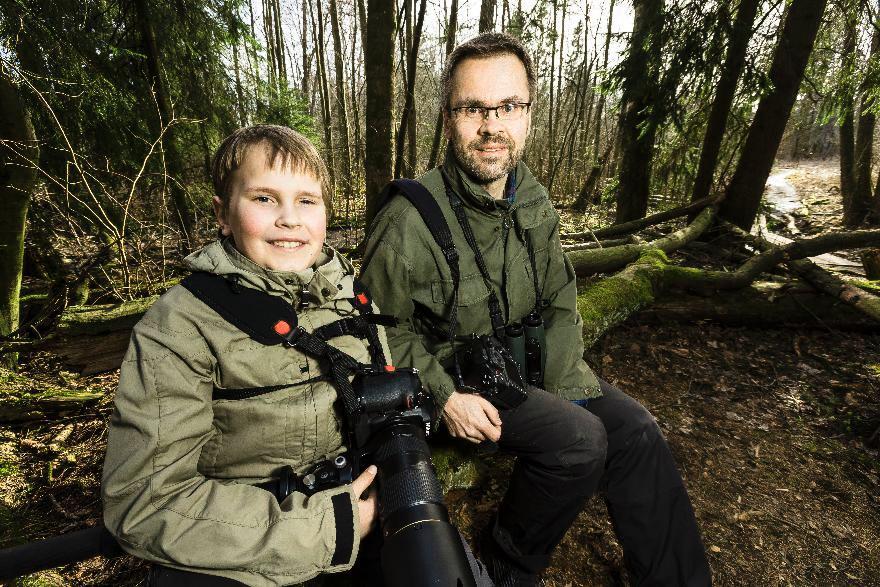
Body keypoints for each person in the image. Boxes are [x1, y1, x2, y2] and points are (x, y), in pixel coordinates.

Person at [360, 33, 712, 586]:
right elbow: (374, 332)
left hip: (522, 368)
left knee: (636, 431)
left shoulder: (532, 199)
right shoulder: (408, 220)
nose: (491, 125)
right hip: (455, 384)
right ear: (449, 117)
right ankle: (509, 565)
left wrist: (568, 389)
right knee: (579, 440)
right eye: (473, 108)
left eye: (509, 107)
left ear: (528, 115)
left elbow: (559, 301)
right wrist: (444, 396)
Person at [101, 125, 489, 586]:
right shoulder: (180, 327)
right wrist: (330, 526)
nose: (290, 218)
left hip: (367, 507)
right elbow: (144, 502)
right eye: (264, 199)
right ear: (223, 215)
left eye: (307, 201)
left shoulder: (350, 294)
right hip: (253, 546)